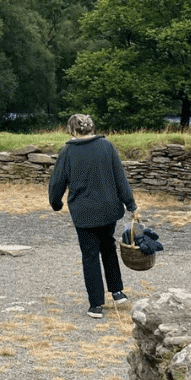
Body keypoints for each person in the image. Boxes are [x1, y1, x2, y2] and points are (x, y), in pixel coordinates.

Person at [48, 113, 138, 319]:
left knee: (90, 255)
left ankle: (96, 305)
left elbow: (57, 182)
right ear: (92, 128)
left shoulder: (67, 152)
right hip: (109, 209)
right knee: (108, 247)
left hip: (84, 212)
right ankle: (117, 292)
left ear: (72, 130)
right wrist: (131, 204)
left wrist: (56, 203)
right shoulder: (107, 146)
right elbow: (120, 178)